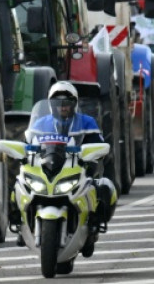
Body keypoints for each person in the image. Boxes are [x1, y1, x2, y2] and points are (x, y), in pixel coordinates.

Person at [30, 81, 115, 230]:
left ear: (74, 104)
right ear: (51, 104)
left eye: (67, 103)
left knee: (104, 187)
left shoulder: (87, 122)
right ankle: (22, 222)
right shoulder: (40, 124)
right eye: (58, 103)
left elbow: (98, 145)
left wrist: (93, 154)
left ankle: (94, 224)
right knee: (20, 185)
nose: (62, 107)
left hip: (79, 169)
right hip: (47, 168)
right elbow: (28, 145)